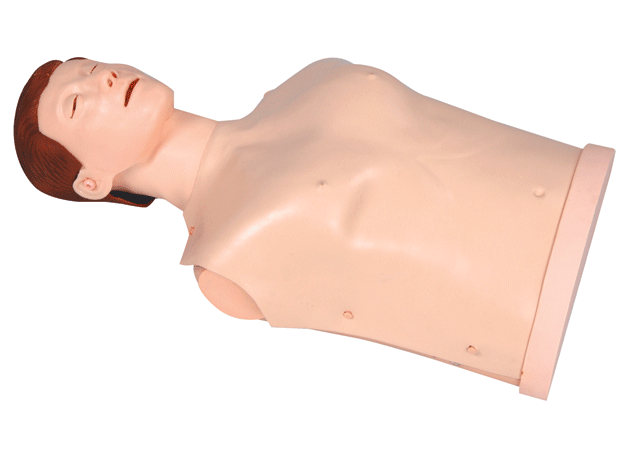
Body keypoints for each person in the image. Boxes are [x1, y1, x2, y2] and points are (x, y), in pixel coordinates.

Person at [14, 57, 614, 399]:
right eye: (77, 103)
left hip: (581, 175)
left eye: (93, 67)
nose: (103, 80)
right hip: (565, 337)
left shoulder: (306, 81)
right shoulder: (226, 261)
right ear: (92, 183)